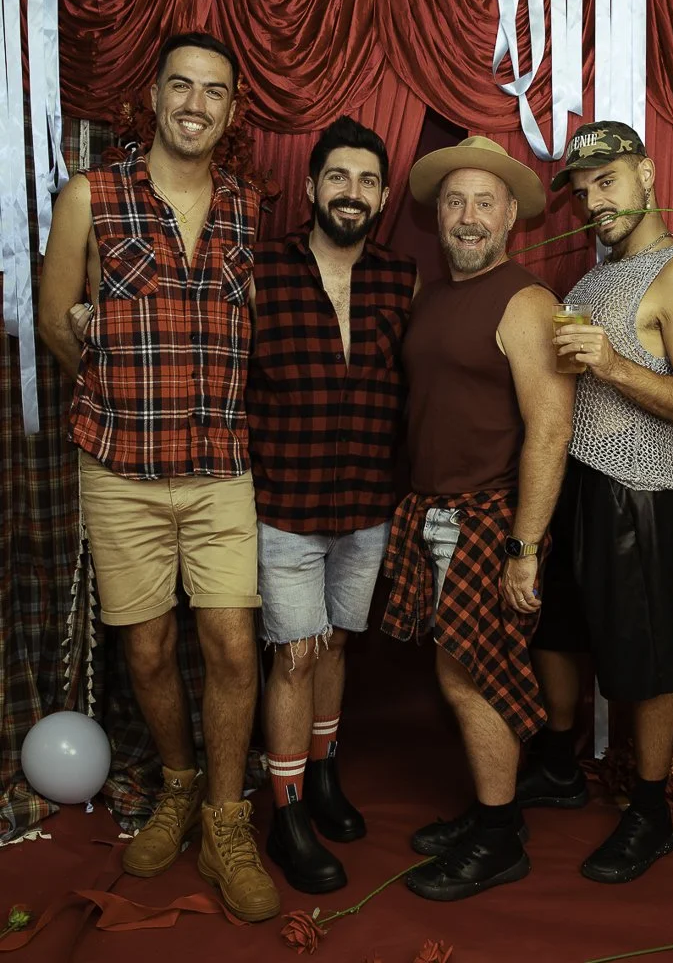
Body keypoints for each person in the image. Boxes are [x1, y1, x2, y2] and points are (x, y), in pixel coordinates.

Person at [38, 31, 279, 922]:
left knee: (229, 644)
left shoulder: (250, 208)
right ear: (154, 93)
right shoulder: (90, 197)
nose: (195, 102)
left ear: (228, 109)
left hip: (220, 468)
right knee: (143, 649)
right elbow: (59, 322)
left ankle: (224, 817)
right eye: (180, 84)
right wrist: (117, 395)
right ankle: (178, 786)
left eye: (213, 90)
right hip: (120, 468)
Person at [518, 120, 673, 884]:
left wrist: (611, 366)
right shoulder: (594, 277)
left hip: (635, 488)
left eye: (607, 182)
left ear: (644, 175)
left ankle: (650, 811)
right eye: (582, 189)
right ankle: (562, 765)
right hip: (573, 477)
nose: (593, 201)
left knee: (640, 660)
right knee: (559, 631)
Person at [381, 136, 576, 901]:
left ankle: (499, 839)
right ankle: (492, 812)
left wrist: (523, 547)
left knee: (472, 681)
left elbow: (551, 429)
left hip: (489, 516)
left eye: (483, 203)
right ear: (439, 215)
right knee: (460, 673)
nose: (467, 216)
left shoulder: (527, 303)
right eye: (454, 202)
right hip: (431, 515)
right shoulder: (431, 295)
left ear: (510, 219)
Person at [248, 117, 417, 893]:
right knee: (295, 654)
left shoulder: (398, 278)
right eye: (338, 178)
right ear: (313, 187)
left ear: (382, 196)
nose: (353, 192)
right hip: (285, 503)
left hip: (366, 506)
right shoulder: (262, 271)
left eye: (368, 181)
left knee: (336, 647)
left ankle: (321, 777)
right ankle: (284, 816)